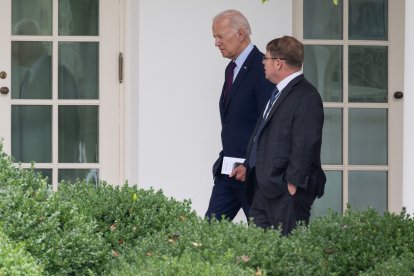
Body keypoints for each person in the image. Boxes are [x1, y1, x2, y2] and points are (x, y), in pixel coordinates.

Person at [231, 36, 326, 235]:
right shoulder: (277, 93)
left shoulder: (306, 96)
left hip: (286, 192)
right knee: (260, 251)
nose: (263, 63)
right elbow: (262, 136)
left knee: (286, 254)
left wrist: (292, 184)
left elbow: (306, 143)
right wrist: (249, 165)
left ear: (278, 63)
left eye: (266, 58)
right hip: (263, 189)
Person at [205, 10, 273, 221]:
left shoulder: (263, 68)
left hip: (251, 175)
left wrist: (250, 164)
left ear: (241, 33)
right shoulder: (231, 69)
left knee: (264, 239)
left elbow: (269, 123)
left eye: (220, 36)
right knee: (207, 233)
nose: (216, 42)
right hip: (228, 173)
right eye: (214, 37)